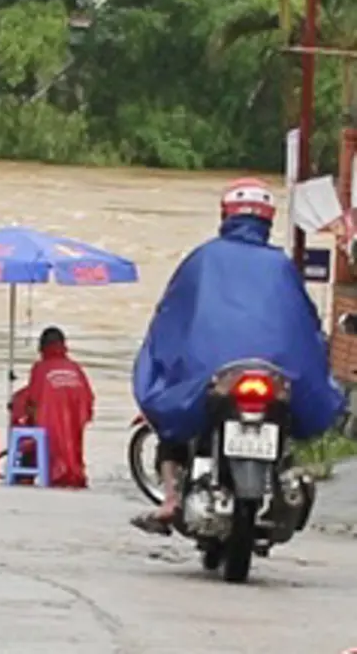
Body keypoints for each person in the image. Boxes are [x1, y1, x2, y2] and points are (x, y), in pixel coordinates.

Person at [132, 178, 347, 533]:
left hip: (213, 379)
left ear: (225, 214)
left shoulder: (202, 259)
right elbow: (306, 323)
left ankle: (170, 501)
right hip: (278, 378)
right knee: (291, 430)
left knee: (170, 426)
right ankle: (288, 479)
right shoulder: (281, 266)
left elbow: (172, 317)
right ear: (267, 220)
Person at [8, 326, 95, 488]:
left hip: (49, 423)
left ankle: (25, 471)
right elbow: (88, 399)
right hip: (75, 421)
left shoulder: (40, 368)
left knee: (30, 428)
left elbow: (32, 400)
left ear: (41, 348)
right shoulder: (76, 368)